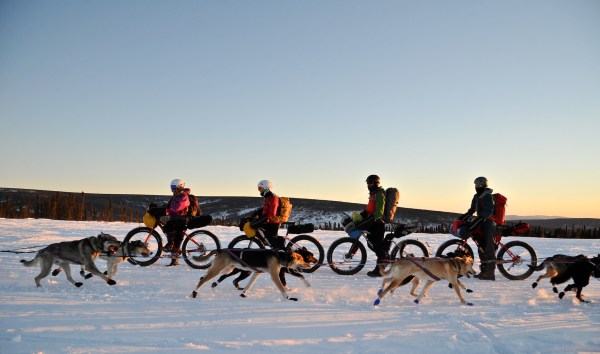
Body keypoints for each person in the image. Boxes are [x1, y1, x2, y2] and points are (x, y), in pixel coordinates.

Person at [458, 176, 496, 280]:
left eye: (479, 185)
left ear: (484, 185)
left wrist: (481, 218)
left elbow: (489, 210)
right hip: (480, 222)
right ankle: (484, 270)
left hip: (489, 223)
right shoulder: (476, 196)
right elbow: (472, 210)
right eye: (476, 185)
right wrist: (462, 218)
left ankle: (490, 273)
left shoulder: (488, 196)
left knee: (488, 248)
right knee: (481, 247)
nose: (477, 187)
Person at [357, 174, 389, 278]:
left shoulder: (379, 194)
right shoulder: (373, 194)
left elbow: (379, 212)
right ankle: (384, 257)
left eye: (369, 183)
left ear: (376, 183)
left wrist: (369, 220)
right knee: (371, 244)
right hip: (373, 223)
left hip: (378, 224)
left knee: (377, 246)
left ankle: (380, 269)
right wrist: (360, 216)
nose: (368, 185)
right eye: (367, 183)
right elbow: (369, 210)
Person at [248, 180, 286, 250]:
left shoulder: (273, 198)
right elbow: (265, 209)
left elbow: (272, 213)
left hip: (273, 222)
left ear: (266, 188)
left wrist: (261, 219)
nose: (259, 190)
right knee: (261, 234)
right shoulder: (267, 197)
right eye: (258, 188)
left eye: (260, 188)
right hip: (268, 221)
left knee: (273, 241)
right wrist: (255, 213)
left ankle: (281, 251)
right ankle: (265, 244)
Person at [163, 178, 191, 266]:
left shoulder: (183, 196)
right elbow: (168, 205)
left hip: (181, 219)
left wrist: (169, 210)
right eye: (171, 187)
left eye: (173, 187)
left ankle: (174, 259)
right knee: (169, 229)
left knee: (175, 234)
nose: (172, 189)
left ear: (179, 186)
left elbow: (178, 207)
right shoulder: (175, 196)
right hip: (175, 218)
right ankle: (173, 257)